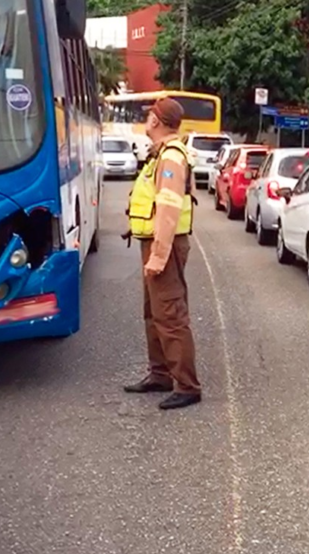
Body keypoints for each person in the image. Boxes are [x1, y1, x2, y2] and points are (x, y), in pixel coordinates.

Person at [123, 97, 201, 410]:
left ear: (156, 121)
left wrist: (158, 255)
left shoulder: (171, 157)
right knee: (153, 313)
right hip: (154, 243)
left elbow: (168, 211)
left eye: (149, 116)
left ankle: (187, 385)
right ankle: (160, 373)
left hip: (164, 245)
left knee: (170, 314)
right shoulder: (160, 155)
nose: (147, 120)